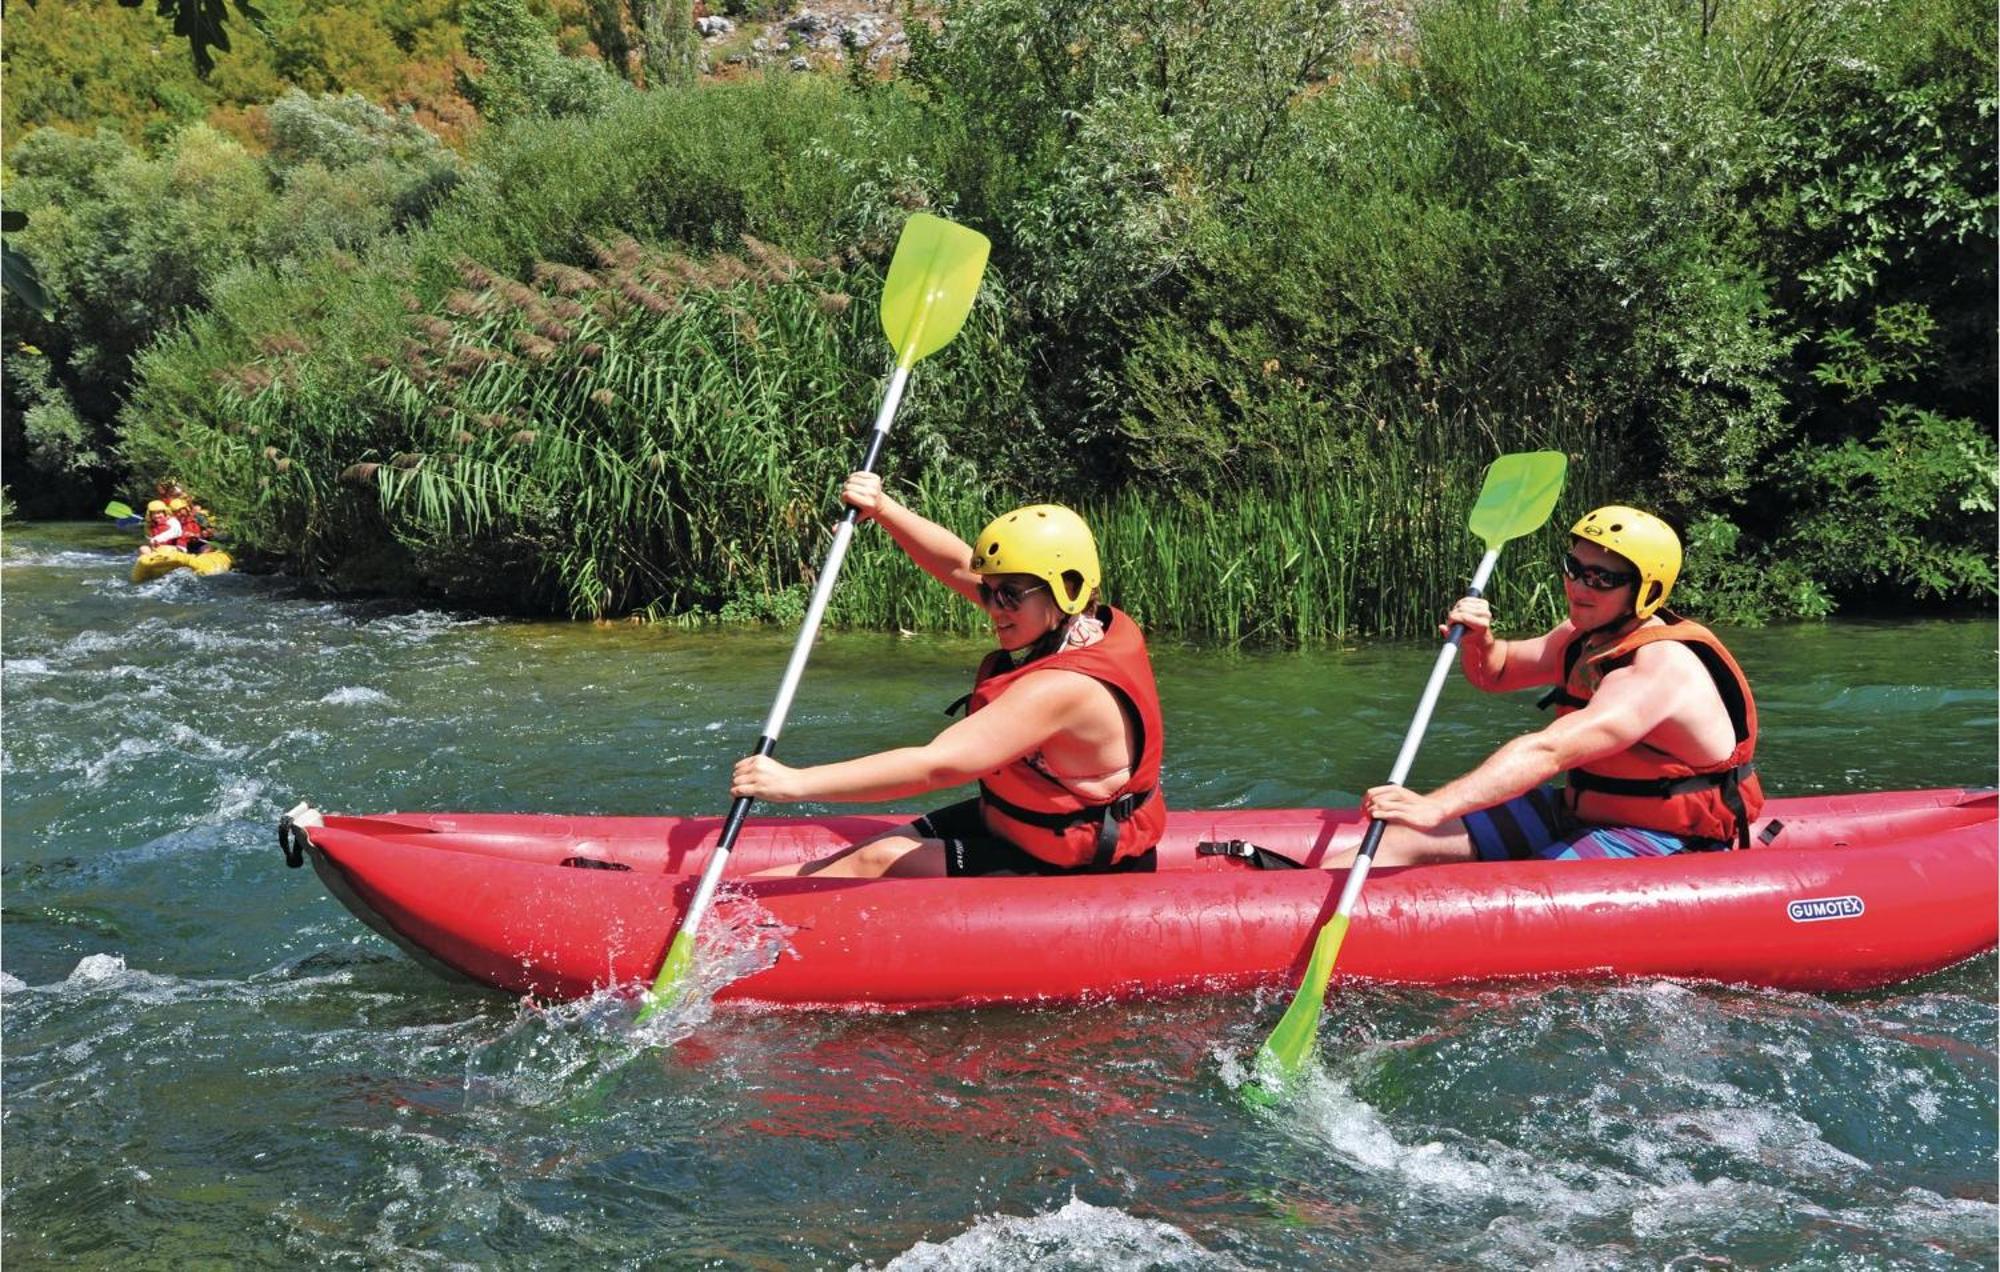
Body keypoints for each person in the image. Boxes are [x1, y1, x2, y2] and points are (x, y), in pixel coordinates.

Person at [741, 472, 1166, 878]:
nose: (994, 608)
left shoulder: (1064, 687)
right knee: (862, 852)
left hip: (1074, 860)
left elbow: (937, 766)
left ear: (1066, 589)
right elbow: (959, 565)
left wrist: (793, 783)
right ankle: (721, 904)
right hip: (1012, 822)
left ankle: (731, 922)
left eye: (1010, 596)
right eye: (989, 592)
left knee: (878, 859)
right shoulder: (1070, 622)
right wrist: (884, 509)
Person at [1347, 505, 1763, 865]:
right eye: (1574, 568)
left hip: (1663, 839)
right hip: (1575, 810)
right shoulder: (1584, 636)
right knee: (1400, 840)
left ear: (1645, 590)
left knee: (1518, 891)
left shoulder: (1658, 670)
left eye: (1602, 578)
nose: (1579, 586)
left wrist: (1436, 805)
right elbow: (1497, 672)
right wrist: (1480, 641)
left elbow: (1550, 751)